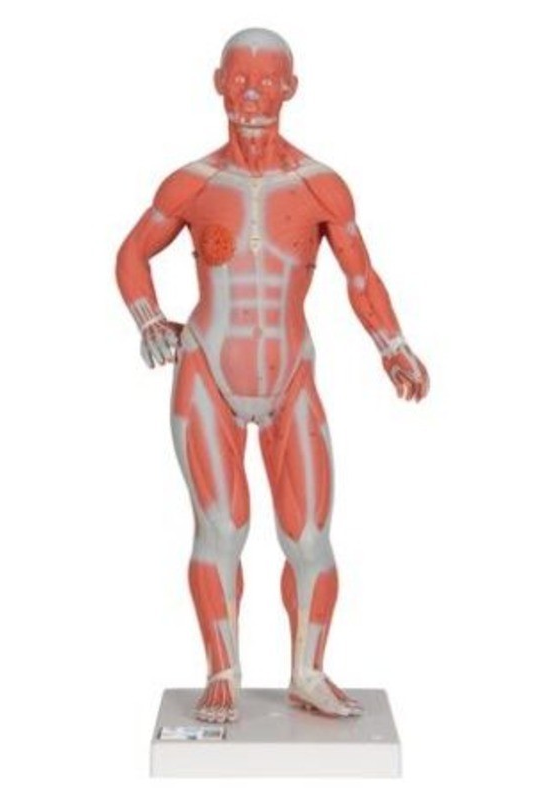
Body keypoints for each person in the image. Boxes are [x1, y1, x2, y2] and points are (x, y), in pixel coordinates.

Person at [116, 28, 429, 723]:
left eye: (265, 80)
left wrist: (393, 346)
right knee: (220, 530)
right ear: (217, 83)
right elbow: (133, 252)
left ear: (291, 88)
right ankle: (222, 671)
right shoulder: (193, 183)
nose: (251, 93)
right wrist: (150, 320)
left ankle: (307, 673)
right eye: (238, 78)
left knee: (310, 538)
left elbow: (361, 277)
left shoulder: (319, 186)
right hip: (208, 370)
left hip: (290, 374)